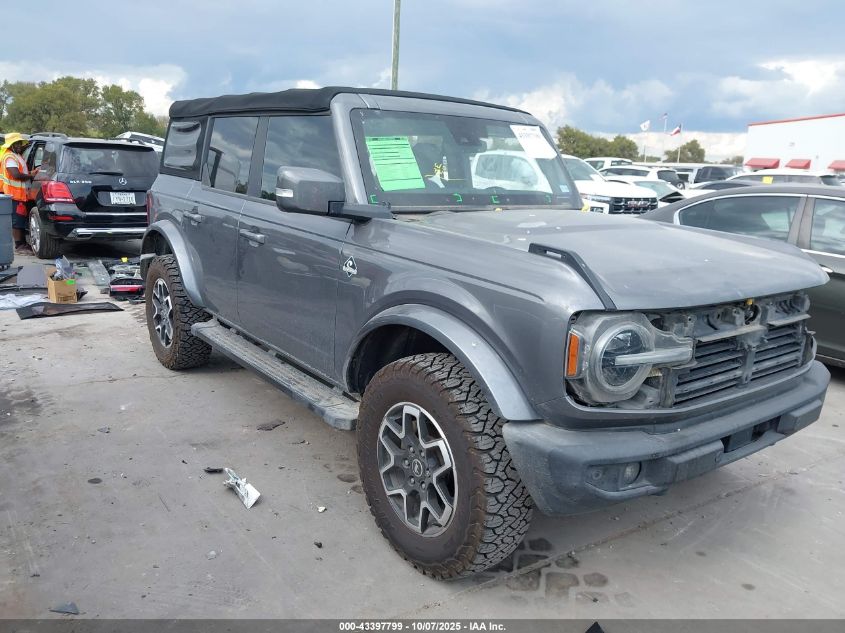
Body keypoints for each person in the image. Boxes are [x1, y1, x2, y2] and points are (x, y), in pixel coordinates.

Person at [0, 132, 34, 253]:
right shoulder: (9, 157)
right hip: (14, 194)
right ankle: (19, 246)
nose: (19, 145)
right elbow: (16, 174)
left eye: (20, 143)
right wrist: (31, 175)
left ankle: (23, 244)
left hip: (19, 194)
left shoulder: (16, 155)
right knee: (17, 221)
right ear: (11, 145)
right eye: (16, 143)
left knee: (19, 219)